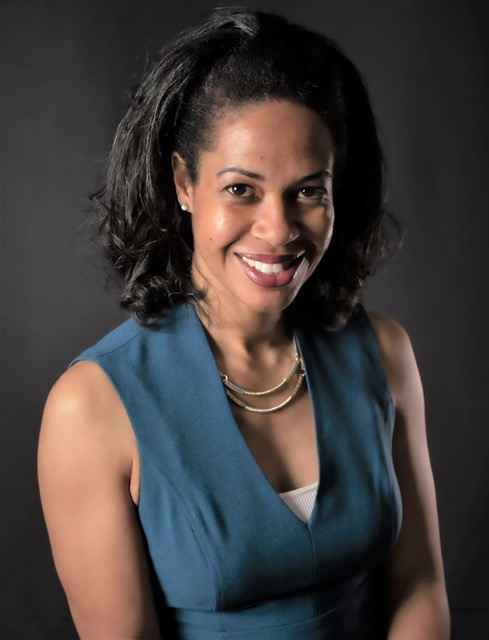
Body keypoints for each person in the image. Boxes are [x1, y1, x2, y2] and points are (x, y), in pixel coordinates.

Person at [38, 7, 450, 639]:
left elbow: (420, 586)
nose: (279, 230)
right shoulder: (91, 408)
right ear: (183, 182)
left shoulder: (385, 352)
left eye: (309, 191)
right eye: (241, 189)